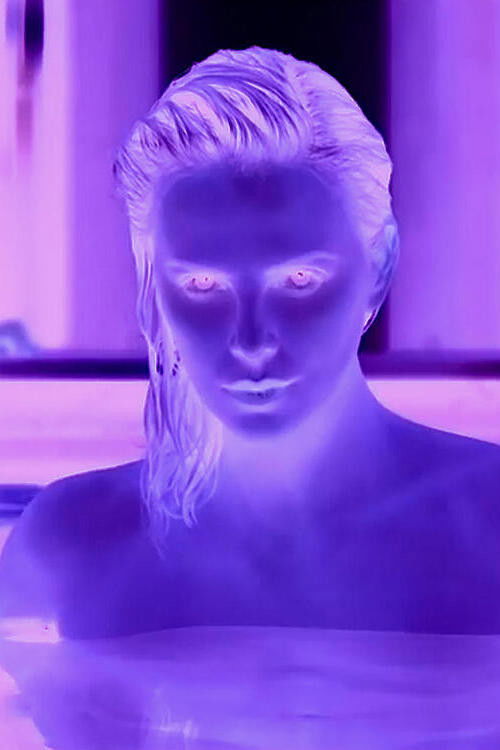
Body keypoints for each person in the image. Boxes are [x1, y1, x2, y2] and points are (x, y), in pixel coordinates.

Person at [1, 46, 499, 640]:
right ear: (156, 282)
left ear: (380, 262)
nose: (251, 338)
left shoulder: (490, 525)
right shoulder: (69, 547)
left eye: (298, 280)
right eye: (202, 285)